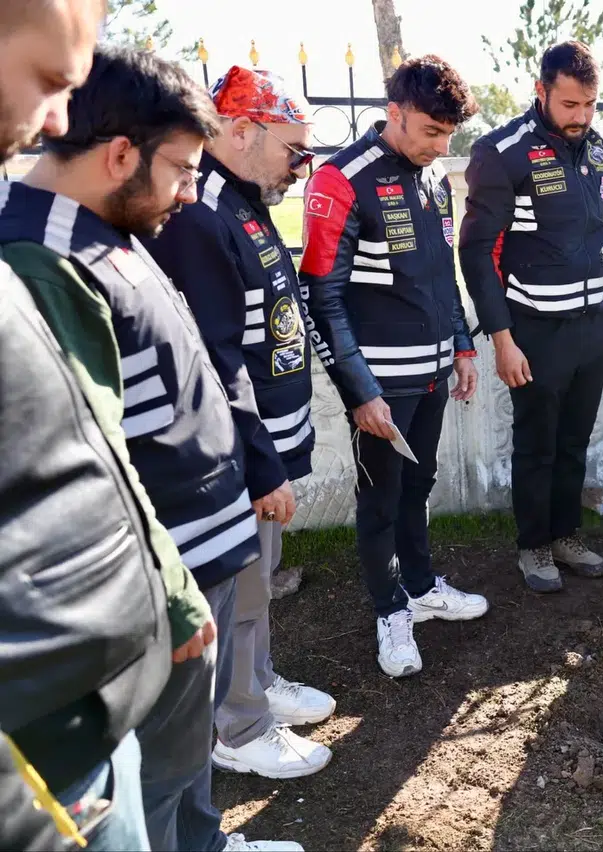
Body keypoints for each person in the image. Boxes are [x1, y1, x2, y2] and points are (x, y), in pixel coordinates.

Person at [0, 19, 214, 852]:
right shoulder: (44, 256)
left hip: (96, 697)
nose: (58, 121)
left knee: (173, 777)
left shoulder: (105, 235)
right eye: (51, 79)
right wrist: (171, 590)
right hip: (58, 745)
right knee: (159, 784)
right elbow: (106, 447)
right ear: (124, 156)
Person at [145, 66, 334, 793]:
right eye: (296, 148)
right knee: (239, 589)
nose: (304, 166)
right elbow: (215, 365)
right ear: (244, 132)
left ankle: (256, 685)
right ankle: (241, 728)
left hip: (268, 446)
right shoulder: (203, 219)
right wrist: (261, 465)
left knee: (256, 587)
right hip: (242, 457)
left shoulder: (245, 204)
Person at [301, 55, 489, 679]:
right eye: (430, 132)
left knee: (419, 485)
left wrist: (462, 346)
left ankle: (421, 584)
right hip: (381, 387)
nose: (440, 147)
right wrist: (360, 392)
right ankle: (390, 611)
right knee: (380, 500)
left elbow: (442, 276)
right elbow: (321, 297)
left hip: (434, 372)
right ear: (395, 113)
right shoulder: (339, 179)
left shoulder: (434, 179)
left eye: (448, 135)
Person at [459, 40, 603, 593]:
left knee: (574, 440)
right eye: (569, 105)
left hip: (592, 328)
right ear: (541, 92)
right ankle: (533, 546)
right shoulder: (503, 152)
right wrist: (501, 337)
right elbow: (476, 251)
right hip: (533, 332)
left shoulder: (602, 151)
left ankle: (567, 534)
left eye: (589, 105)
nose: (581, 117)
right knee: (537, 441)